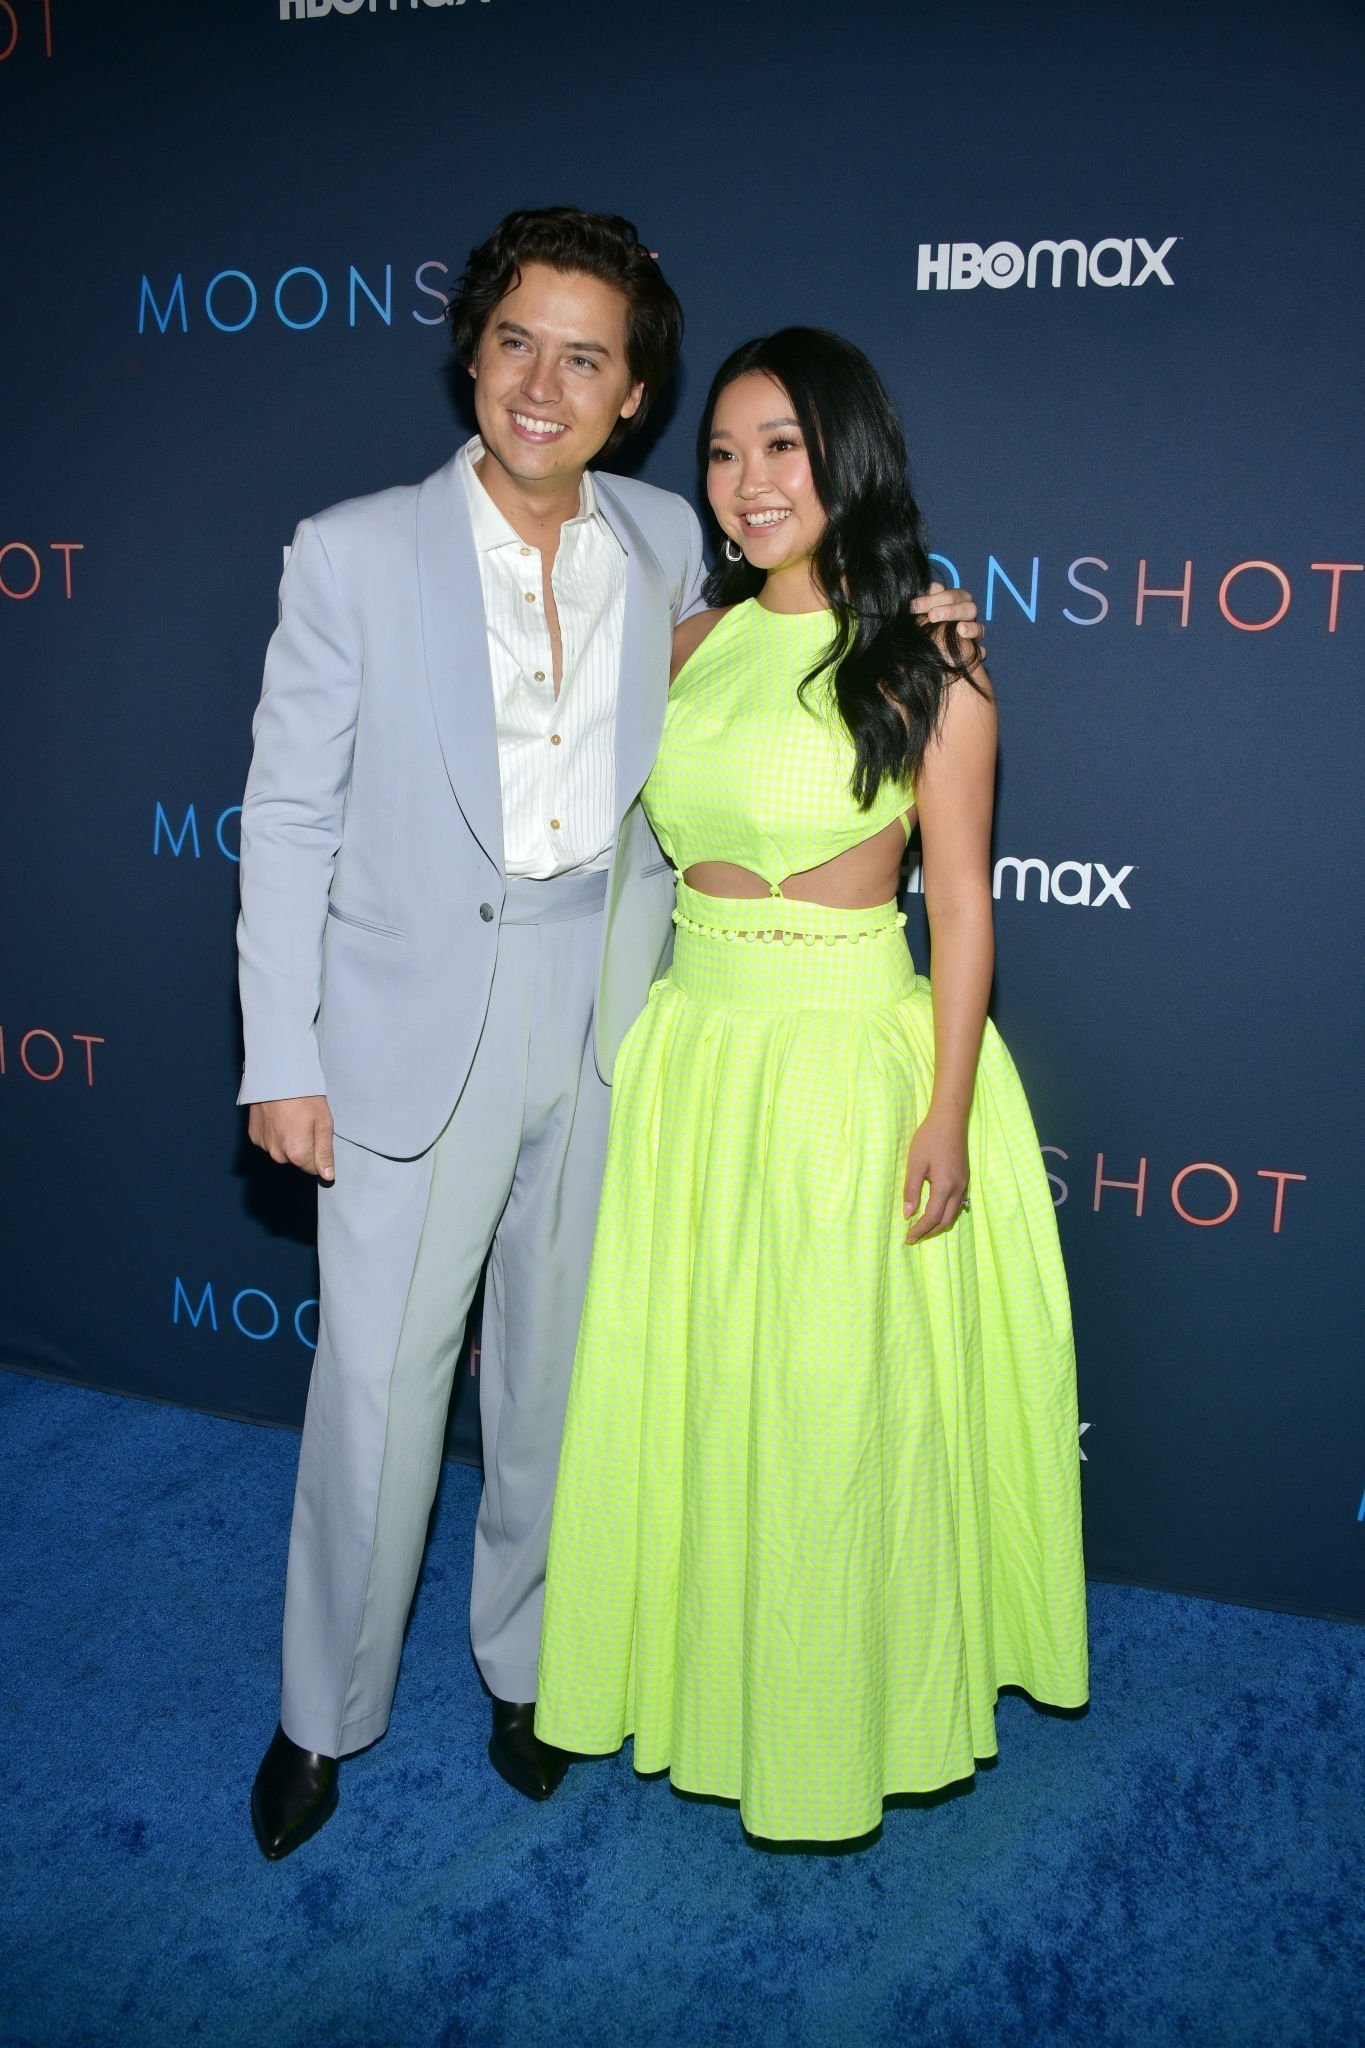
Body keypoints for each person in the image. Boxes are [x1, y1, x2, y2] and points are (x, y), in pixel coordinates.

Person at [236, 212, 983, 1858]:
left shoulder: (667, 543)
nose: (542, 384)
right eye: (516, 341)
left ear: (633, 395)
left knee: (562, 1384)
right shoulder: (351, 551)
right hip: (403, 1032)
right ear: (472, 351)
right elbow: (283, 815)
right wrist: (279, 1054)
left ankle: (533, 1673)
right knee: (375, 1392)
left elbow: (807, 632)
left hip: (622, 1020)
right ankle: (322, 1719)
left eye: (586, 358)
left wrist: (916, 612)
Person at [535, 328, 1089, 1843]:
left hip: (848, 1069)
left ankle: (836, 1715)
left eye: (781, 445)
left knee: (832, 1414)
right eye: (722, 451)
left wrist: (946, 1110)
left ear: (848, 456)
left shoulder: (928, 657)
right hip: (695, 1062)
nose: (747, 481)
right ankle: (702, 1680)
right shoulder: (686, 646)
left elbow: (960, 905)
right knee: (700, 1392)